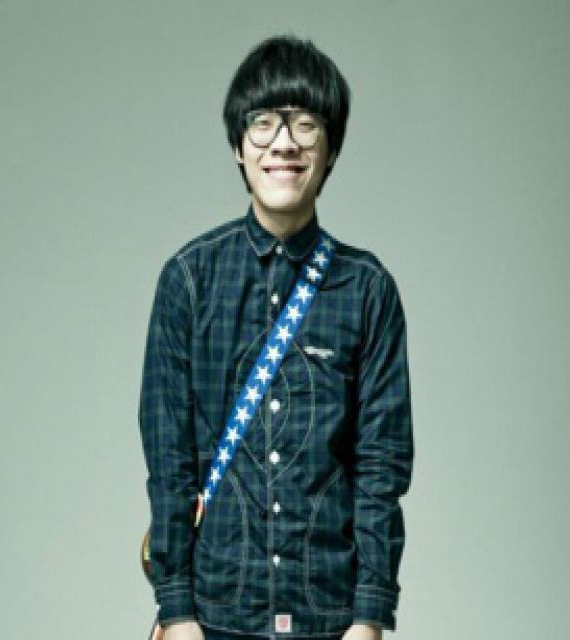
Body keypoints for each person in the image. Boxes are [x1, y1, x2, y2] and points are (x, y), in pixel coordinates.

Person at [138, 33, 414, 640]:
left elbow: (381, 466)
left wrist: (370, 616)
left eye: (305, 124)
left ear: (330, 148)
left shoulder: (367, 289)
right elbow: (169, 459)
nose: (283, 143)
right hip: (215, 617)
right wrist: (177, 611)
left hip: (331, 618)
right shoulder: (190, 278)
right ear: (238, 147)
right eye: (262, 123)